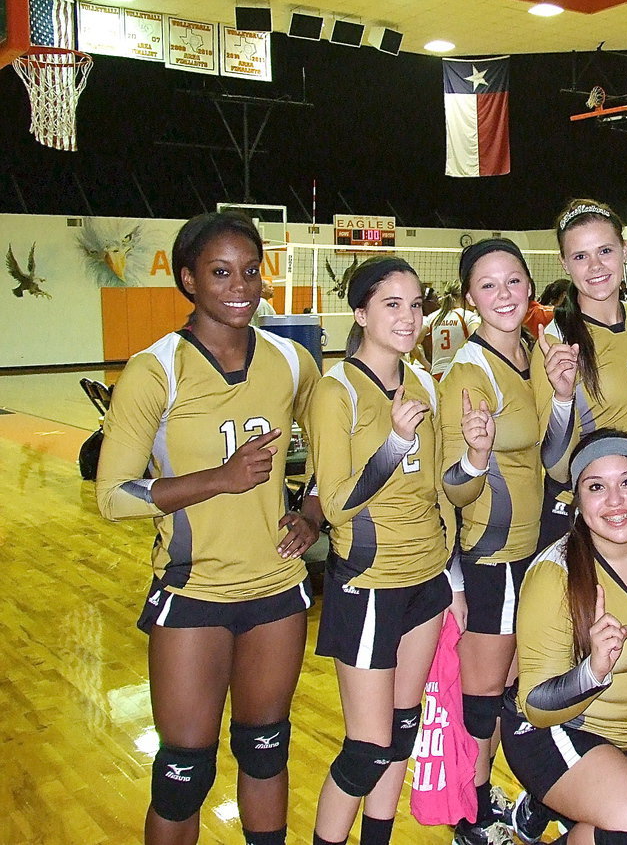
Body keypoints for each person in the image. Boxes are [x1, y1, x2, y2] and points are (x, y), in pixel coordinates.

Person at [96, 211, 322, 845]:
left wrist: (311, 512)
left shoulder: (290, 360)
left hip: (276, 588)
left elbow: (340, 443)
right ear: (189, 280)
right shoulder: (155, 370)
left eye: (251, 271)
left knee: (266, 752)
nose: (240, 287)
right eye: (221, 273)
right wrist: (217, 479)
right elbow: (113, 496)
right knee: (183, 772)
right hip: (193, 593)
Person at [310, 257, 459, 845]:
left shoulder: (425, 382)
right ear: (361, 313)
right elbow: (336, 503)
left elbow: (441, 488)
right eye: (393, 304)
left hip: (428, 582)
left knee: (402, 729)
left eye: (417, 304)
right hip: (371, 583)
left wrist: (473, 458)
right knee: (366, 748)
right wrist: (394, 443)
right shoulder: (336, 390)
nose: (409, 317)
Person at [500, 429, 627, 845]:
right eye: (597, 487)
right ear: (578, 500)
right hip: (553, 733)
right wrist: (591, 671)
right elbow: (536, 705)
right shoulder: (553, 574)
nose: (615, 501)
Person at [438, 238, 544, 845]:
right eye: (488, 285)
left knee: (509, 687)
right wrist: (476, 458)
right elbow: (451, 489)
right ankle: (469, 816)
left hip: (532, 548)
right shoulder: (469, 373)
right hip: (490, 555)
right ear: (468, 297)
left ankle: (480, 795)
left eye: (513, 282)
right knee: (482, 695)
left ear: (530, 287)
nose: (503, 295)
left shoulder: (534, 353)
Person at [533, 198, 627, 552]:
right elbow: (556, 466)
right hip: (588, 516)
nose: (595, 266)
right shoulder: (556, 339)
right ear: (564, 263)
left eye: (605, 250)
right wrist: (562, 398)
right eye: (580, 256)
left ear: (624, 250)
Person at [423, 279, 479, 380]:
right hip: (460, 373)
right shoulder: (468, 316)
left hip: (437, 374)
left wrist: (426, 364)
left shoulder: (433, 317)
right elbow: (477, 342)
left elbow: (413, 342)